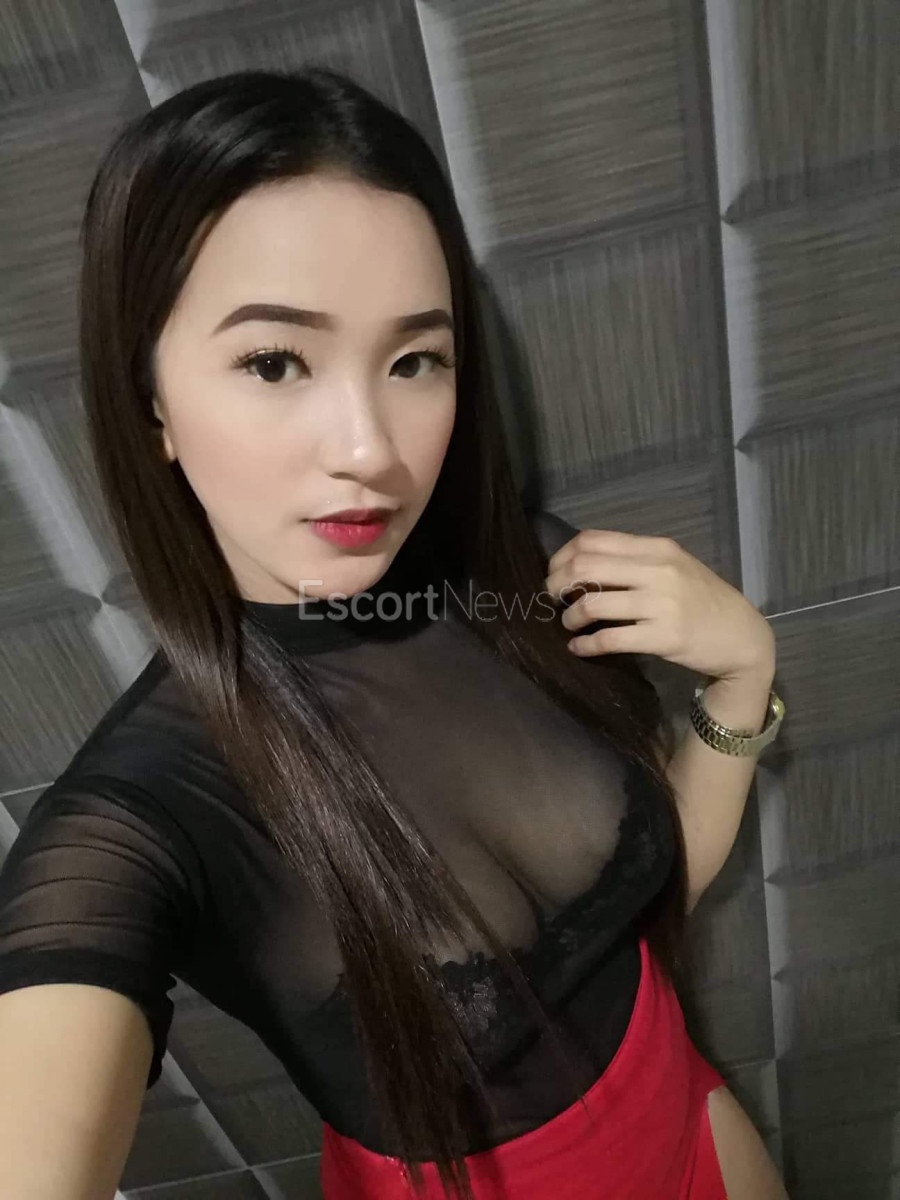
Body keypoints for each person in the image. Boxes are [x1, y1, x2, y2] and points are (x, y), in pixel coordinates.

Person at [0, 67, 789, 1200]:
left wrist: (741, 679)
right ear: (151, 399)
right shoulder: (140, 818)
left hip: (695, 1129)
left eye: (415, 359)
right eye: (275, 362)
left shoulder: (525, 574)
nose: (371, 447)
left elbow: (640, 915)